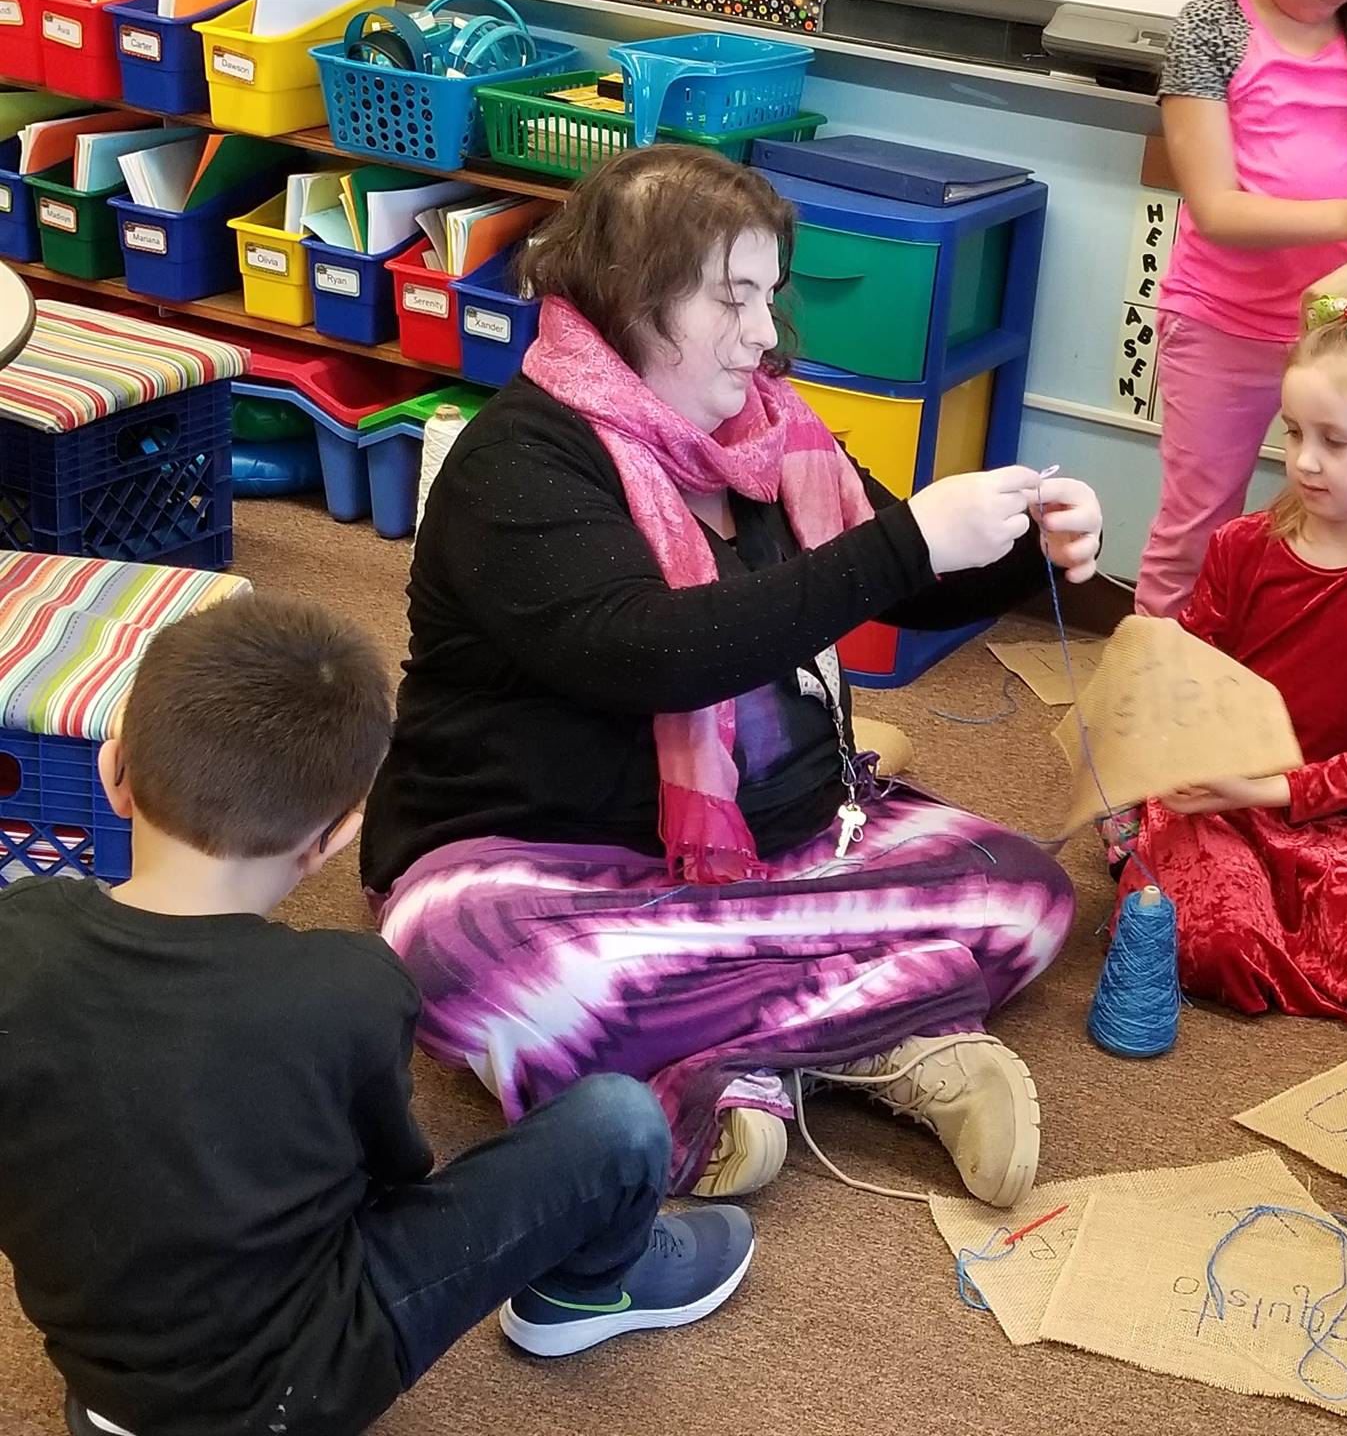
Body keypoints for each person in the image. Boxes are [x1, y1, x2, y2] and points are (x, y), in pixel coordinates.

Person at [359, 146, 1101, 1212]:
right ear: (628, 300)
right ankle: (897, 1023)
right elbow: (656, 650)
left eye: (768, 296)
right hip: (543, 851)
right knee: (479, 964)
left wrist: (1031, 544)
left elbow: (911, 582)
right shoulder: (518, 460)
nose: (762, 332)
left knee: (1025, 890)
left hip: (772, 845)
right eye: (731, 298)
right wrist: (906, 546)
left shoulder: (768, 435)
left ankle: (734, 1054)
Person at [0, 594, 753, 1436]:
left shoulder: (17, 932)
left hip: (108, 1393)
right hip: (307, 1393)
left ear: (113, 773)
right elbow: (393, 1175)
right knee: (620, 1120)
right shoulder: (353, 985)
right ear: (331, 838)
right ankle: (588, 1289)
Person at [1115, 294, 1347, 1040]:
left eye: (1335, 441)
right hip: (1214, 793)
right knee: (1220, 948)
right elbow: (1192, 682)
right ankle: (1160, 855)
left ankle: (1182, 878)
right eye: (1295, 432)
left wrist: (1277, 789)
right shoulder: (1242, 547)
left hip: (1330, 806)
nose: (1303, 460)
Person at [1135, 0, 1347, 618]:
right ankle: (1158, 690)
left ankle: (1327, 681)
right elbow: (1216, 209)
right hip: (1223, 319)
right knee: (1197, 527)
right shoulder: (1213, 24)